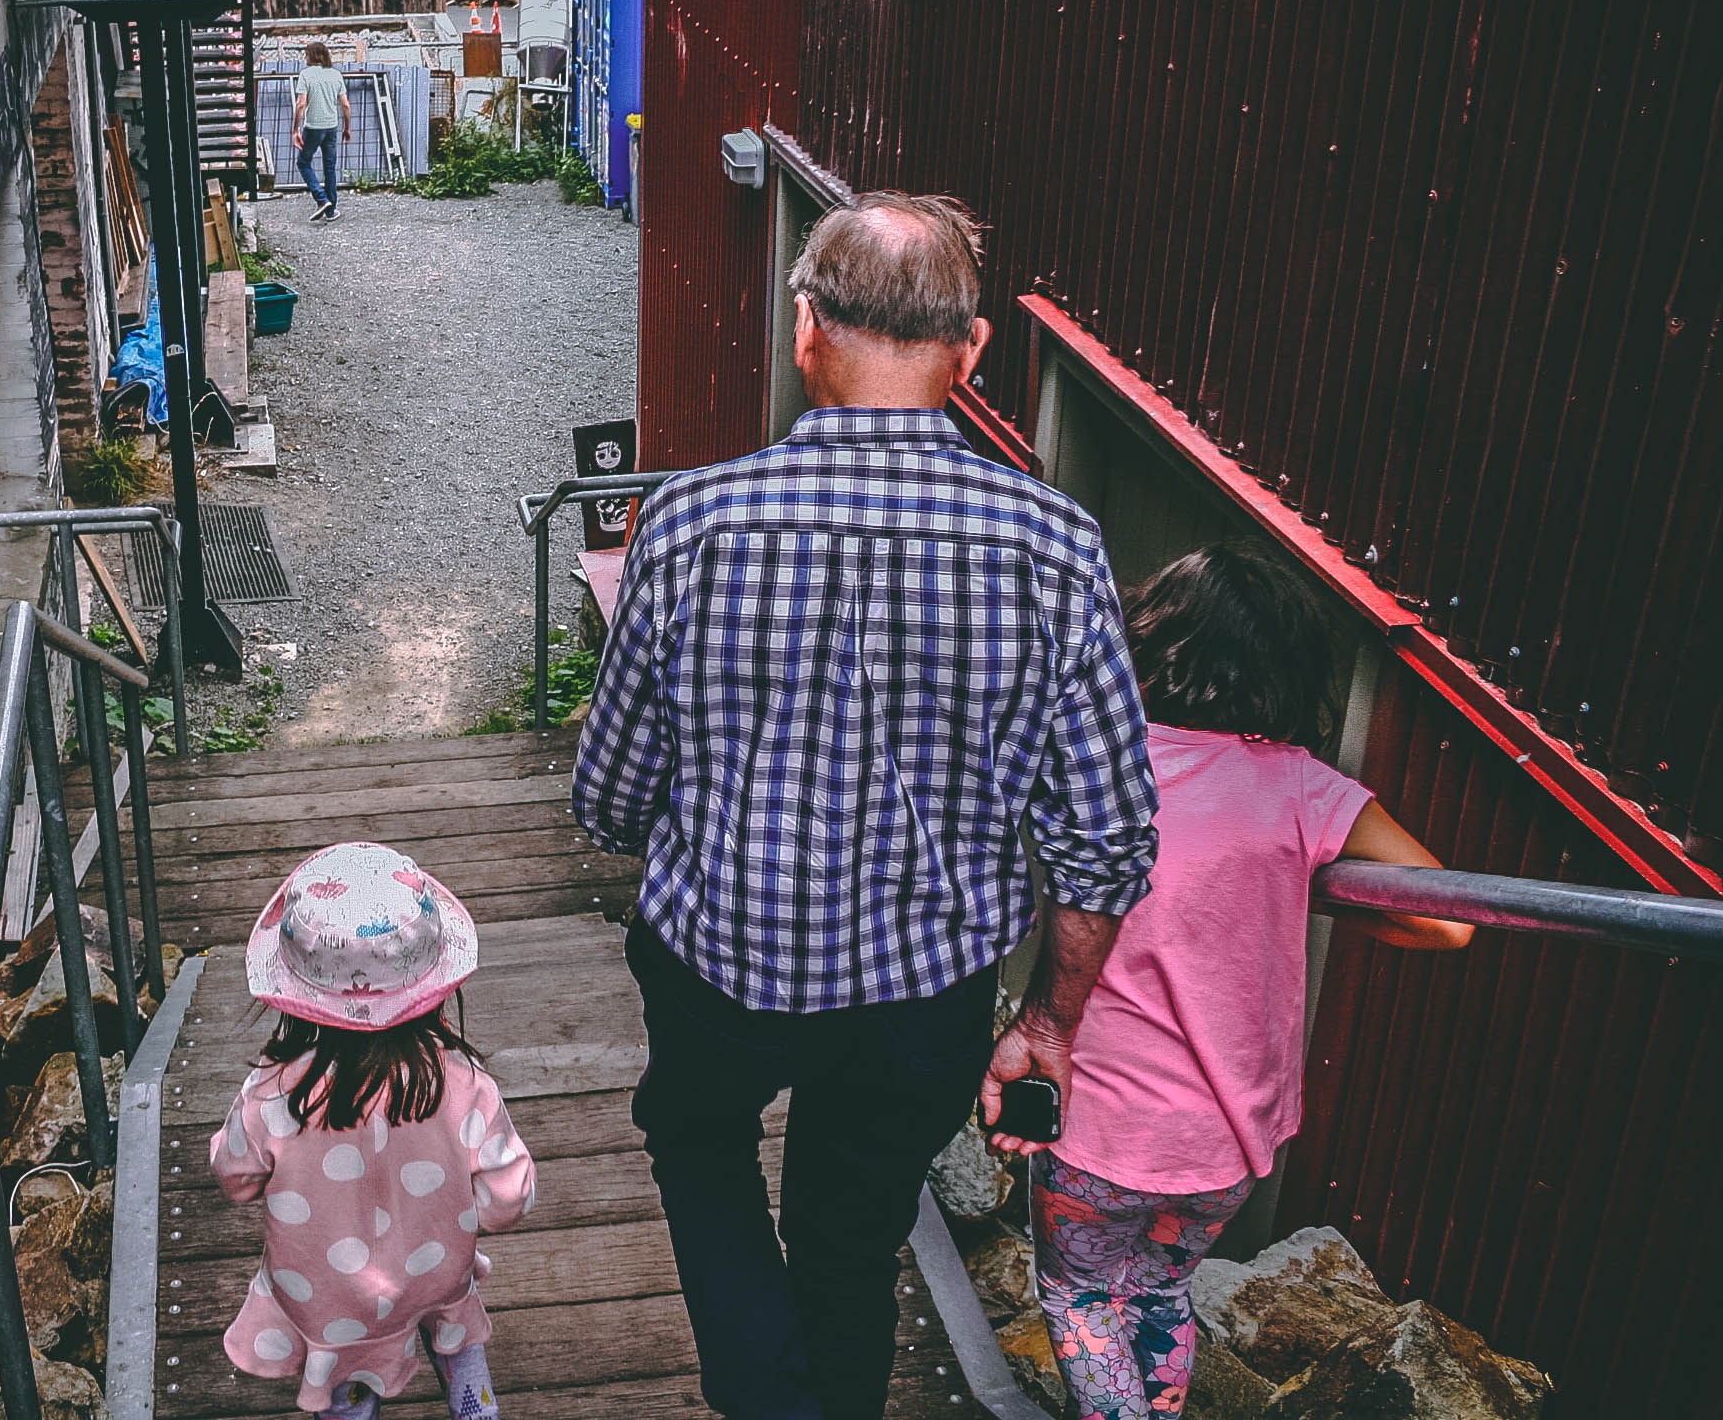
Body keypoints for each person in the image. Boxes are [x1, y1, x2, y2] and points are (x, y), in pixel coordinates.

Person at [573, 191, 1161, 1420]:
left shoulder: (685, 523)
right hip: (923, 1000)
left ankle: (764, 1397)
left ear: (806, 331)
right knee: (850, 1237)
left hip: (718, 967)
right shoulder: (1057, 546)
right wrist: (1048, 1025)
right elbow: (1105, 840)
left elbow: (613, 797)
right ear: (972, 348)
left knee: (696, 1140)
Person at [1001, 543, 1473, 1420]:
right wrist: (1291, 888)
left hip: (1102, 1130)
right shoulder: (1305, 789)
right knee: (1158, 1294)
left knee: (1080, 1296)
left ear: (1149, 640)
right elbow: (1446, 920)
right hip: (1224, 1148)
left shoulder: (1101, 760)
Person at [213, 843, 536, 1420]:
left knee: (347, 1376)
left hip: (326, 1296)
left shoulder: (274, 1091)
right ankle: (472, 1399)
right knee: (452, 1322)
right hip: (434, 1272)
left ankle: (356, 1402)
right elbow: (508, 1198)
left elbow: (234, 1177)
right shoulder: (462, 1082)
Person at [292, 43, 351, 222]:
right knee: (330, 167)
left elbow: (301, 104)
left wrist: (295, 129)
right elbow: (346, 105)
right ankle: (331, 210)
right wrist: (347, 127)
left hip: (313, 128)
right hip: (332, 127)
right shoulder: (336, 75)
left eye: (306, 54)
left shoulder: (306, 75)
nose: (305, 58)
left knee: (303, 163)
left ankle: (321, 198)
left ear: (311, 56)